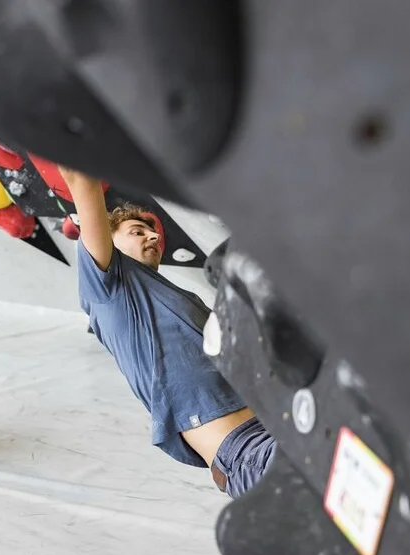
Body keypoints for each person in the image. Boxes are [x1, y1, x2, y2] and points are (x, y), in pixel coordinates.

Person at [60, 166, 276, 497]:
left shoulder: (183, 299)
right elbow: (80, 180)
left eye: (153, 233)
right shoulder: (109, 289)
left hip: (279, 426)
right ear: (107, 239)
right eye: (137, 232)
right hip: (247, 449)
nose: (154, 237)